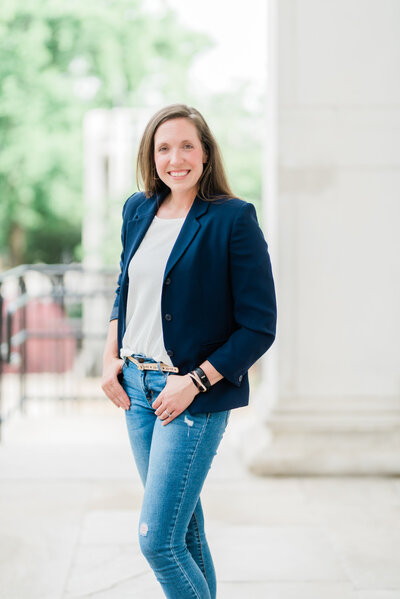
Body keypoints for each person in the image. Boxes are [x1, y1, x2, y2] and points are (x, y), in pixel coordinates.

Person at [101, 103, 277, 599]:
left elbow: (259, 327)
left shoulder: (233, 219)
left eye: (186, 146)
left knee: (158, 542)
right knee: (185, 533)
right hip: (137, 390)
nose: (174, 158)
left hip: (192, 396)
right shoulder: (138, 209)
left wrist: (195, 380)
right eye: (163, 148)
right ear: (150, 155)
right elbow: (125, 288)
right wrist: (110, 356)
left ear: (205, 154)